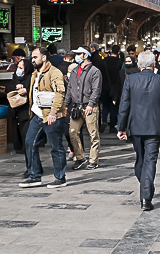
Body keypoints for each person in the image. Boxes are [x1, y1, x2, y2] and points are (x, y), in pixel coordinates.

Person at [117, 51, 160, 211]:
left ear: (139, 65)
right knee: (148, 161)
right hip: (155, 126)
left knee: (141, 159)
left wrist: (121, 127)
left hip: (136, 125)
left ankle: (145, 194)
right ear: (153, 64)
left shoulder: (130, 80)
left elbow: (124, 106)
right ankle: (147, 192)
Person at [18, 47, 69, 189]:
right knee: (29, 143)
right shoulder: (35, 73)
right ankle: (34, 176)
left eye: (35, 57)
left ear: (44, 57)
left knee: (56, 147)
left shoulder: (55, 72)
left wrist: (53, 113)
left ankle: (60, 177)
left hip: (52, 116)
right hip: (37, 114)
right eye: (32, 57)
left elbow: (60, 92)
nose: (32, 60)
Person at [65, 47, 102, 171]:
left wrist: (91, 104)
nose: (75, 56)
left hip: (89, 106)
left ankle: (93, 160)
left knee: (93, 134)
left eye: (78, 54)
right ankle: (80, 158)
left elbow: (96, 90)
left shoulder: (95, 71)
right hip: (76, 106)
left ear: (85, 55)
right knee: (73, 132)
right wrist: (66, 104)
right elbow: (70, 88)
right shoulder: (75, 71)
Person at [11, 55, 35, 155]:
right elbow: (8, 87)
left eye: (21, 68)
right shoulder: (15, 77)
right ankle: (19, 147)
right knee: (17, 129)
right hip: (15, 108)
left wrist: (27, 90)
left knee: (25, 129)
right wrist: (15, 87)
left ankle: (26, 149)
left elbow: (35, 90)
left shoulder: (31, 78)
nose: (18, 70)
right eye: (18, 67)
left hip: (26, 109)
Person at [100, 45, 124, 133]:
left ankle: (104, 120)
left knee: (105, 106)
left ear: (110, 51)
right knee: (114, 107)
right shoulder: (120, 63)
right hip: (115, 88)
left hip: (104, 87)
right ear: (118, 52)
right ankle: (112, 126)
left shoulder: (104, 62)